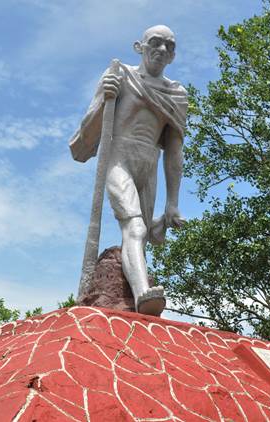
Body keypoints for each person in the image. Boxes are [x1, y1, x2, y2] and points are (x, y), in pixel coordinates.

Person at [69, 25, 188, 316]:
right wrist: (105, 97)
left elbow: (174, 151)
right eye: (155, 43)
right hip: (119, 158)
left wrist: (172, 202)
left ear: (173, 56)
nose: (161, 50)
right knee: (134, 226)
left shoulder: (176, 93)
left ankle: (138, 286)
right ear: (140, 47)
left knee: (142, 234)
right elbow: (89, 129)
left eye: (168, 46)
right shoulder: (120, 75)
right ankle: (142, 294)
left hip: (149, 163)